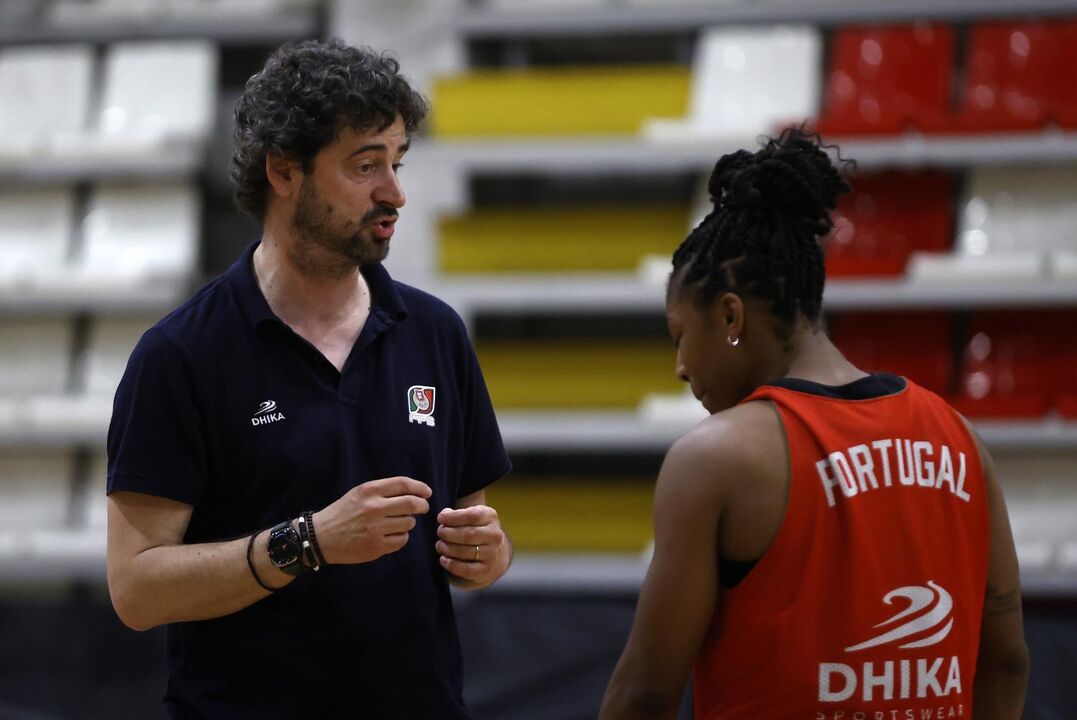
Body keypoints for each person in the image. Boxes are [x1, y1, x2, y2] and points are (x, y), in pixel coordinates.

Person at [105, 39, 513, 718]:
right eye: (364, 166)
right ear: (284, 170)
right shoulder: (180, 355)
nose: (394, 192)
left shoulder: (435, 333)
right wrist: (310, 543)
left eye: (396, 162)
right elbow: (137, 590)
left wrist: (487, 554)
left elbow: (471, 536)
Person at [599, 129, 1029, 720]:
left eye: (680, 337)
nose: (679, 367)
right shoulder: (959, 437)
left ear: (730, 315)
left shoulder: (716, 459)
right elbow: (1006, 662)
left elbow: (644, 694)